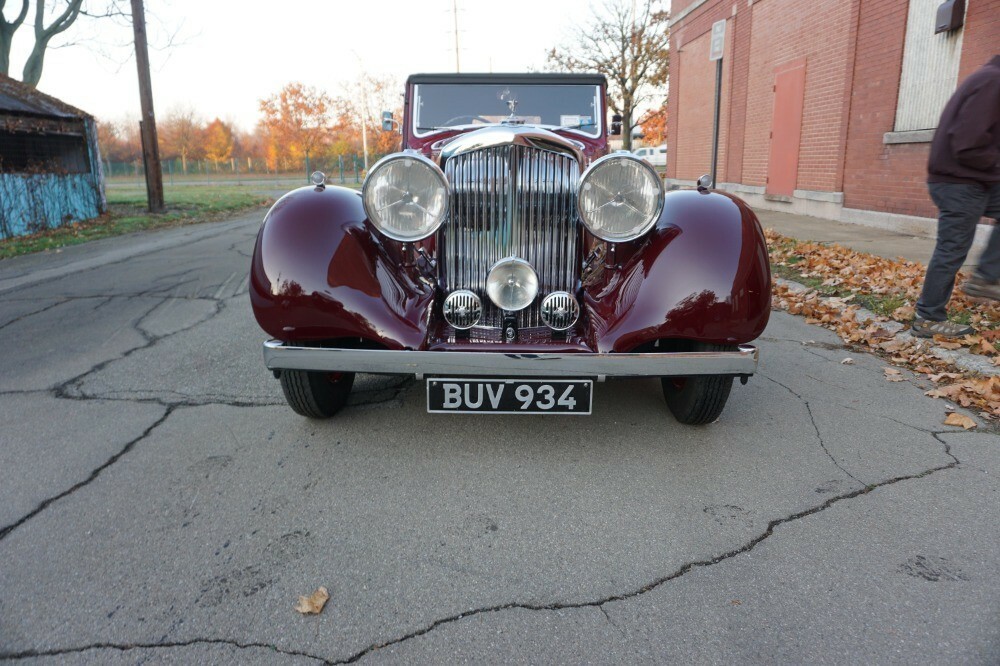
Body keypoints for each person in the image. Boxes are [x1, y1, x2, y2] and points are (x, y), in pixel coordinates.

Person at [913, 54, 1000, 338]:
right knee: (951, 249)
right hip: (960, 182)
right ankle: (927, 318)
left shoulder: (989, 77)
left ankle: (988, 276)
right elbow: (968, 144)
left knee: (951, 248)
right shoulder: (993, 81)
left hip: (972, 179)